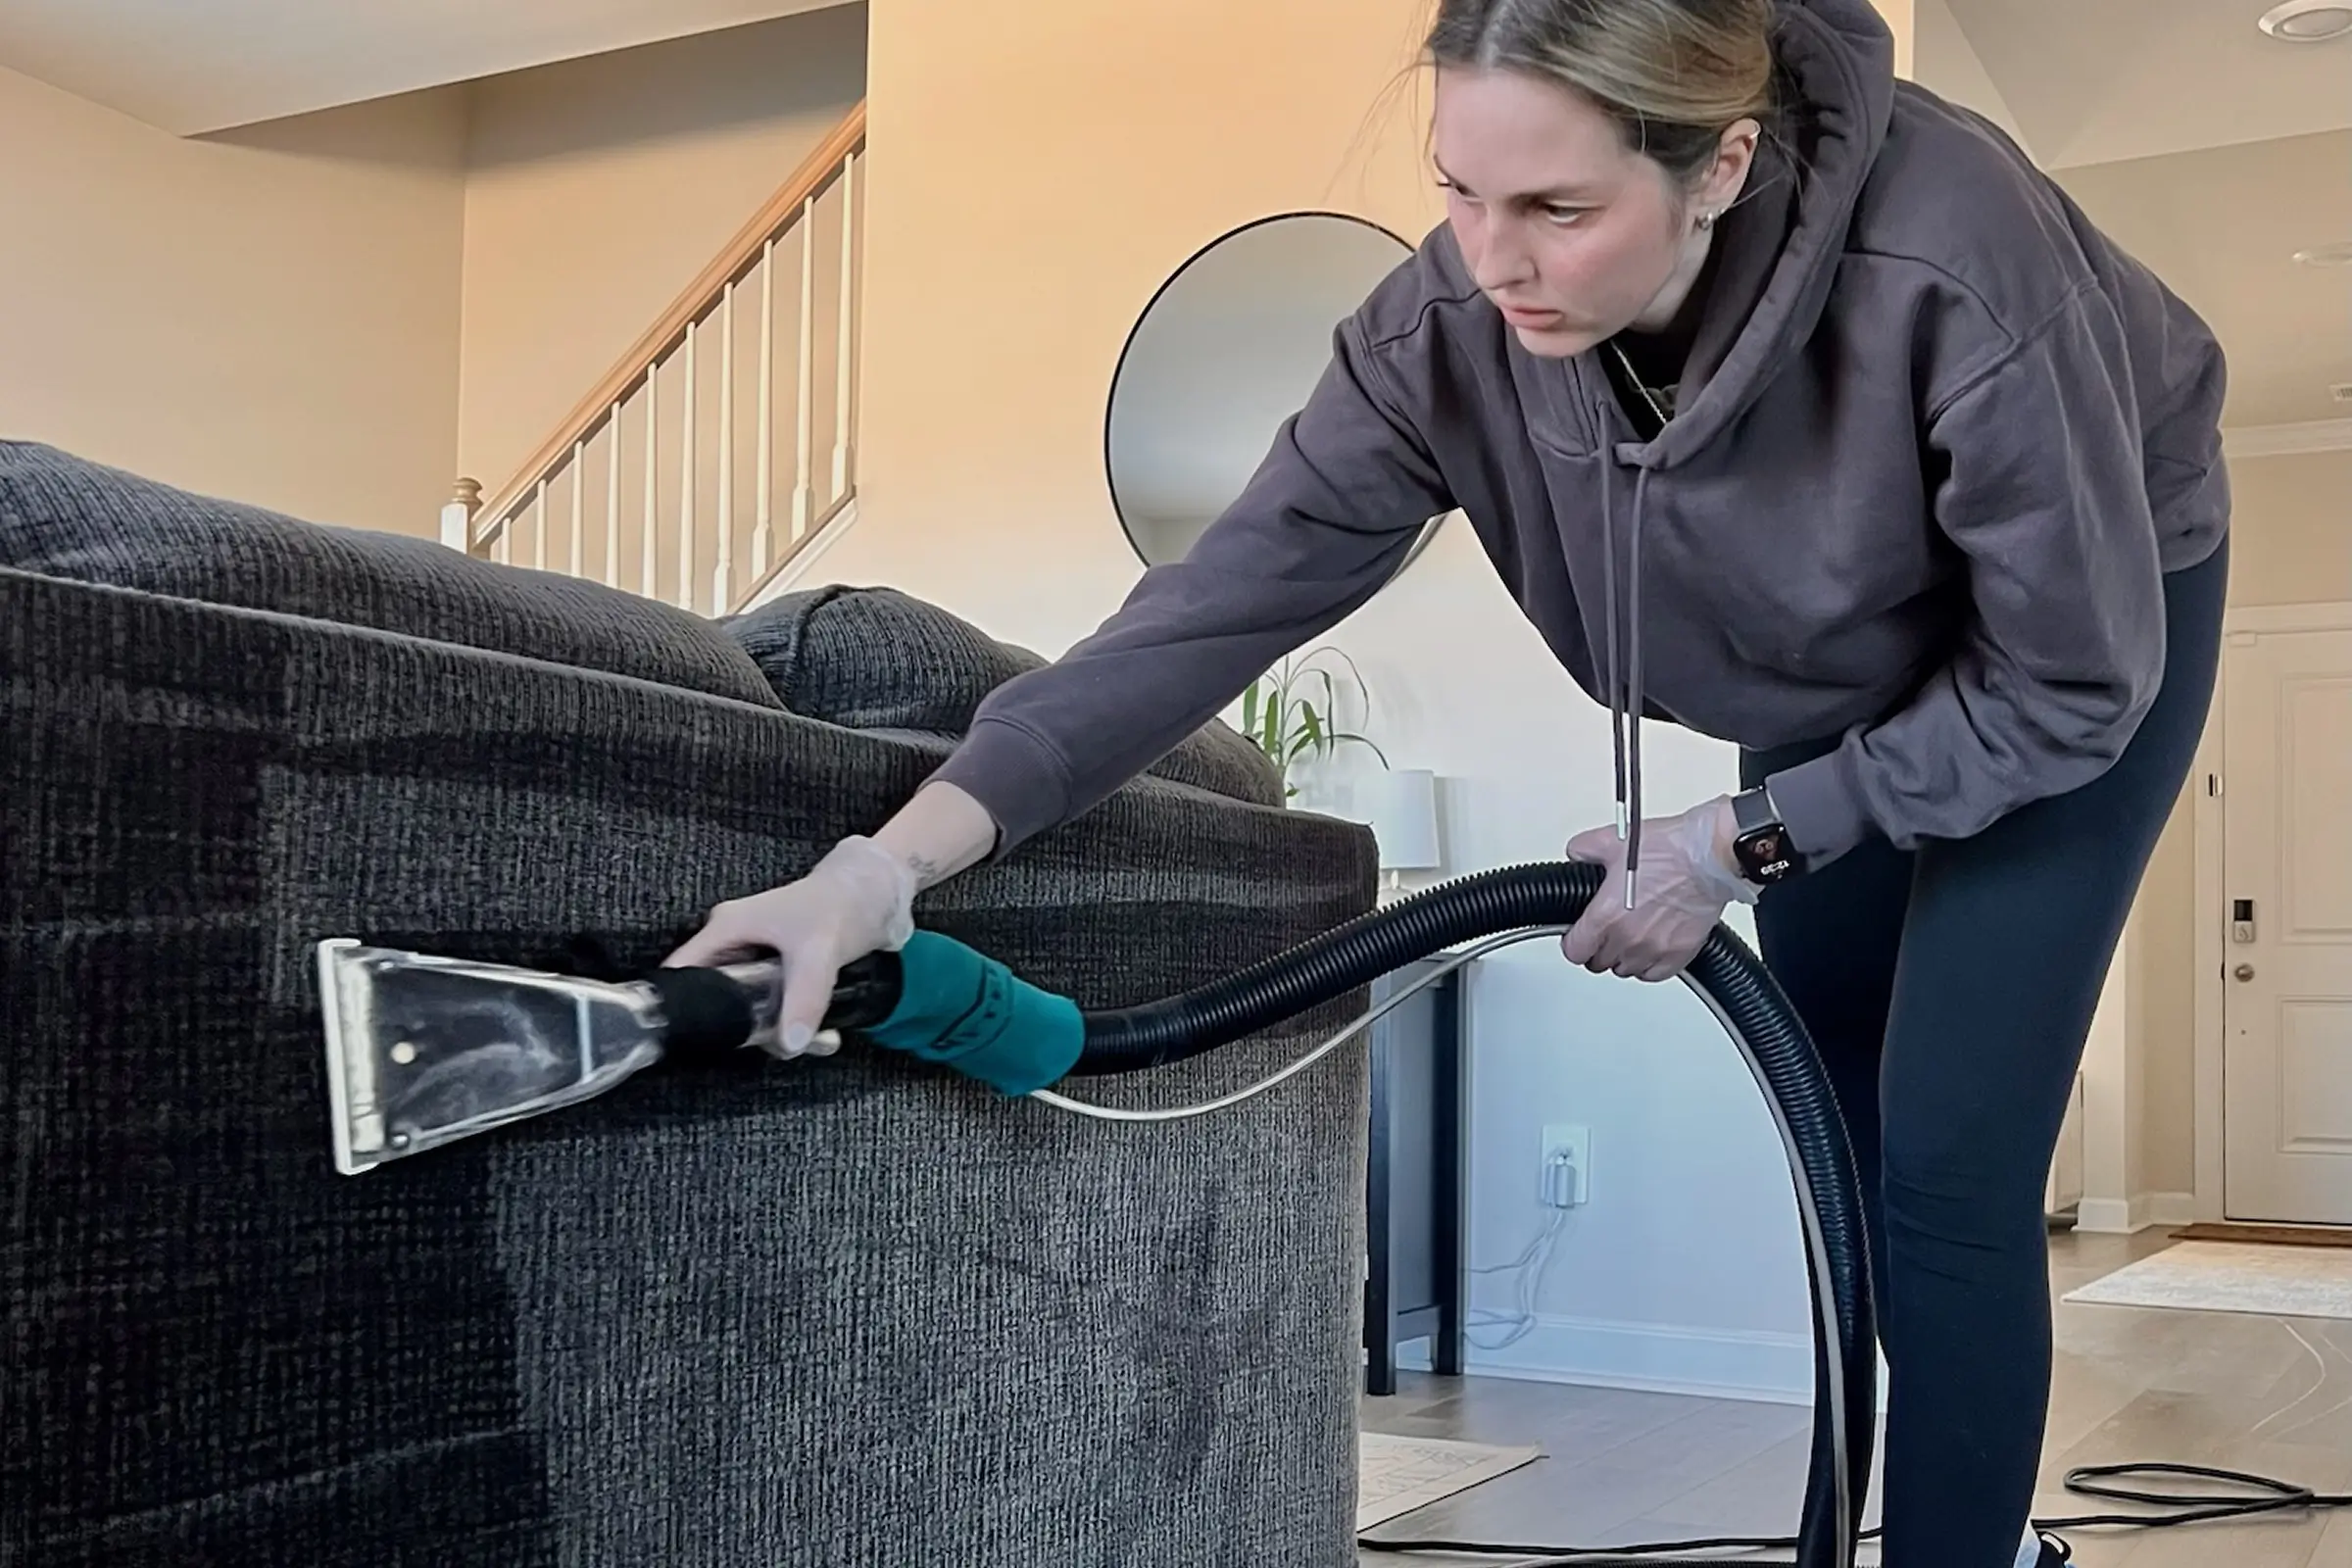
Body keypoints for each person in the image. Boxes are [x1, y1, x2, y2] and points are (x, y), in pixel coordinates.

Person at [667, 1, 2230, 1563]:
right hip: (1834, 666)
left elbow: (2069, 683)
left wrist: (1734, 842)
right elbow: (1196, 621)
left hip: (2085, 641)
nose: (1495, 259)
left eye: (1557, 209)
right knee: (1847, 1125)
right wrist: (882, 869)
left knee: (1954, 1149)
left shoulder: (1953, 259)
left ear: (1720, 166)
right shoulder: (1444, 330)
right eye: (1461, 191)